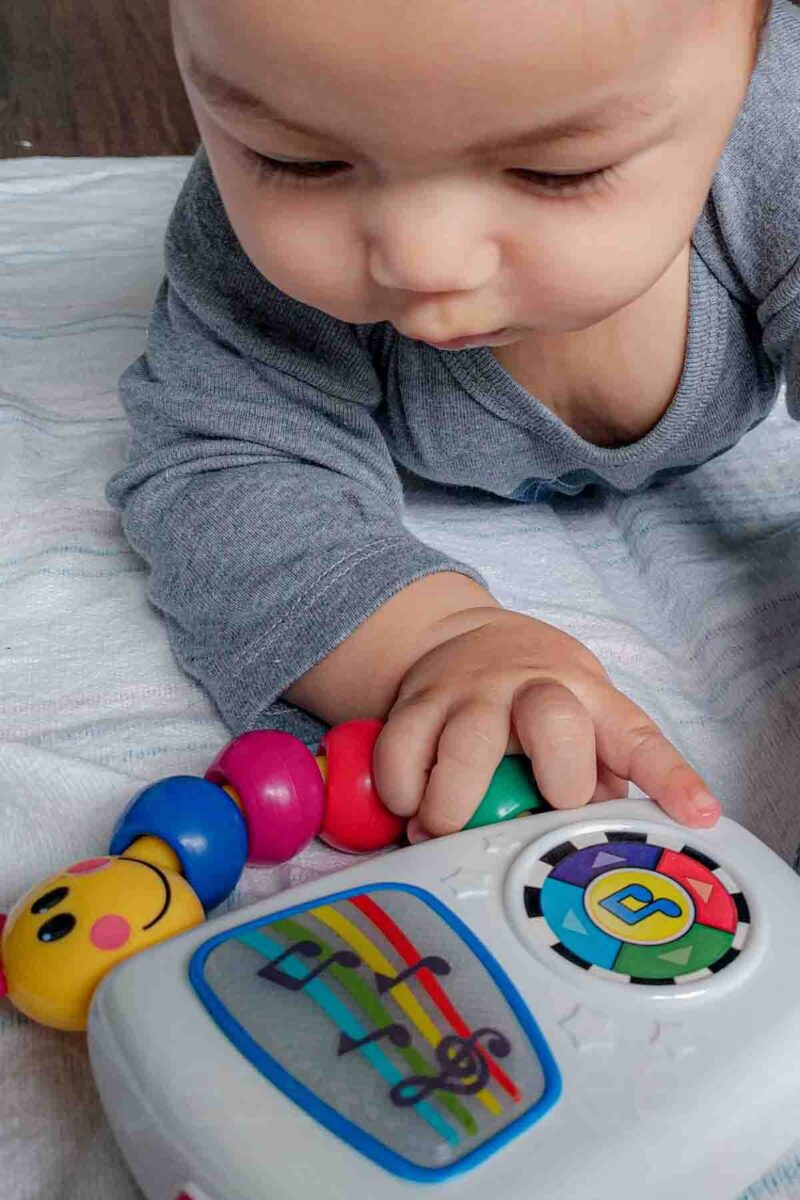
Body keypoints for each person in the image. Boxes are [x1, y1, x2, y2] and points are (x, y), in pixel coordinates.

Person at [106, 0, 800, 842]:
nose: (423, 261)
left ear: (747, 66)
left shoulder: (783, 132)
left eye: (556, 172)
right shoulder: (239, 246)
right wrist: (434, 641)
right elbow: (226, 463)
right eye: (301, 160)